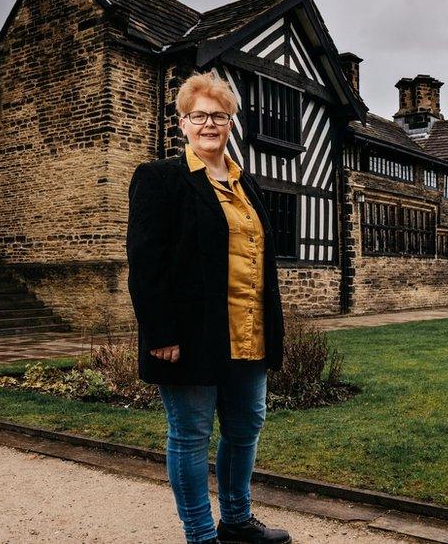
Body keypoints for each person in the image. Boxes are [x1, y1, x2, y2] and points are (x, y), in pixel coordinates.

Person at [126, 71, 290, 544]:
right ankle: (200, 535)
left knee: (245, 428)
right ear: (182, 123)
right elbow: (145, 263)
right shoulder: (161, 179)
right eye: (199, 116)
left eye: (219, 115)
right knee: (192, 435)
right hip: (190, 336)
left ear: (231, 122)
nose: (210, 124)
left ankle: (236, 520)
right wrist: (160, 333)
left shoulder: (245, 184)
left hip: (249, 332)